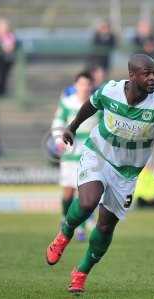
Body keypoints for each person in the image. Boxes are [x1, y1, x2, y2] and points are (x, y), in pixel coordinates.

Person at [46, 54, 154, 293]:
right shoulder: (110, 91)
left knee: (106, 227)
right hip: (99, 154)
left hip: (127, 172)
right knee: (88, 202)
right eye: (147, 73)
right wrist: (72, 127)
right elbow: (91, 105)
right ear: (132, 75)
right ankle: (65, 233)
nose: (153, 78)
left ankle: (81, 272)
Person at [51, 71, 101, 241]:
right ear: (76, 85)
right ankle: (65, 218)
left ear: (91, 86)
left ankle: (79, 227)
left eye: (87, 84)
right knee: (68, 191)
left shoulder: (97, 102)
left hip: (89, 150)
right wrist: (59, 140)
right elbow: (58, 121)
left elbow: (103, 124)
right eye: (81, 84)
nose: (84, 87)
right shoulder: (67, 102)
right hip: (70, 149)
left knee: (83, 190)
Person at [0, 17, 18, 97]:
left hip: (8, 60)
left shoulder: (10, 36)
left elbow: (15, 44)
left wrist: (11, 48)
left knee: (4, 76)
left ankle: (2, 92)